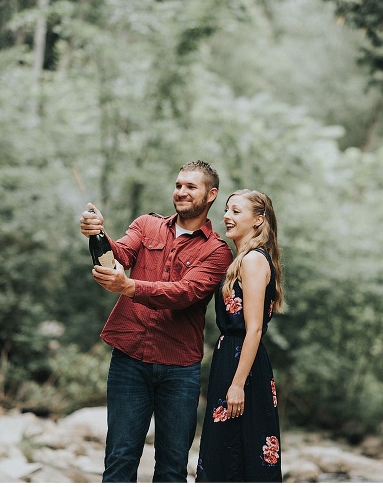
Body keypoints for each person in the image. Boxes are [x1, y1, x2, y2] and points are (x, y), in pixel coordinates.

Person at [79, 160, 233, 483]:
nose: (181, 192)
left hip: (180, 370)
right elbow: (120, 255)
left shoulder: (218, 252)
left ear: (211, 195)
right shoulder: (146, 224)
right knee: (119, 458)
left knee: (172, 468)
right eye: (178, 185)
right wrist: (98, 234)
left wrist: (129, 287)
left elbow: (184, 293)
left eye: (191, 187)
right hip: (129, 360)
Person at [195, 189, 284, 483]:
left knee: (241, 448)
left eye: (236, 211)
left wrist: (237, 384)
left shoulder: (253, 260)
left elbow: (254, 328)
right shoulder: (241, 259)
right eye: (226, 210)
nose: (226, 217)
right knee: (227, 449)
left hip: (242, 365)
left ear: (258, 220)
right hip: (231, 358)